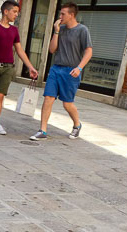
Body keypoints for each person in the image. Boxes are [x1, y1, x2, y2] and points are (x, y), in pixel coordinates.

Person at [30, 2, 92, 140]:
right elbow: (52, 49)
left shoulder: (82, 30)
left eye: (63, 14)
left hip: (71, 71)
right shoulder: (61, 29)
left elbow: (89, 51)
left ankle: (77, 125)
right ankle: (43, 130)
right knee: (48, 98)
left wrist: (79, 67)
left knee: (67, 103)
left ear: (72, 14)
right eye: (60, 13)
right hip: (56, 68)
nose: (60, 16)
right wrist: (56, 31)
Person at [0, 0, 39, 139]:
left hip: (8, 68)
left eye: (17, 13)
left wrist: (30, 67)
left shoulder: (14, 30)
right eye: (14, 12)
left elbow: (19, 50)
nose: (16, 15)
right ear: (5, 11)